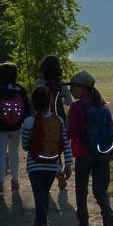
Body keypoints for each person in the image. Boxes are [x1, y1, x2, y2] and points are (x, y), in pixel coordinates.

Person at [67, 70, 113, 226]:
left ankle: (83, 225)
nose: (71, 91)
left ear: (82, 88)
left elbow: (72, 132)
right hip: (102, 153)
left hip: (83, 154)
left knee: (81, 190)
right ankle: (107, 214)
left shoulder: (76, 107)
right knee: (100, 190)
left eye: (73, 87)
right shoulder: (102, 105)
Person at [22, 86, 73, 226]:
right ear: (50, 102)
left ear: (33, 103)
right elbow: (65, 143)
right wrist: (68, 164)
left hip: (34, 165)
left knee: (40, 196)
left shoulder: (29, 121)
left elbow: (24, 146)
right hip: (52, 164)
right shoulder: (58, 121)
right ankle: (40, 223)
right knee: (43, 194)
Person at [0, 62, 31, 195]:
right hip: (16, 127)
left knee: (1, 154)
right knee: (14, 152)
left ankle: (0, 182)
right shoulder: (20, 90)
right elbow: (27, 109)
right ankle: (15, 181)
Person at [35, 55, 72, 191]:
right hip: (59, 118)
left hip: (44, 119)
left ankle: (56, 172)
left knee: (49, 147)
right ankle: (61, 170)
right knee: (59, 146)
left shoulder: (39, 83)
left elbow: (34, 101)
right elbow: (69, 102)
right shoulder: (60, 84)